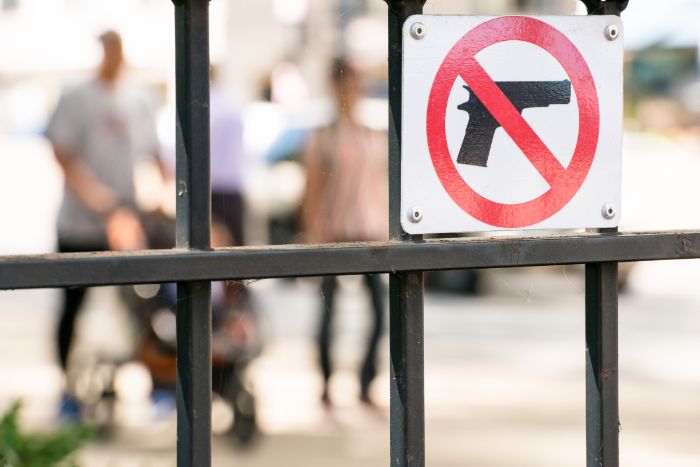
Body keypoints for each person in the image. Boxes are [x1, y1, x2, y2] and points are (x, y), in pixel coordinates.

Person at [45, 30, 162, 418]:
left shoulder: (138, 98)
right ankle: (66, 385)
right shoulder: (77, 97)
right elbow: (62, 152)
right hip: (80, 224)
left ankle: (157, 380)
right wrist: (96, 196)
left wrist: (164, 199)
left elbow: (154, 156)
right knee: (73, 305)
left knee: (141, 307)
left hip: (124, 225)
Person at [301, 58, 388, 408]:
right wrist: (311, 230)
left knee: (382, 313)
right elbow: (311, 189)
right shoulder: (323, 137)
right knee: (327, 312)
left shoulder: (372, 133)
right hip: (333, 231)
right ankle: (325, 385)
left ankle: (366, 382)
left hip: (369, 232)